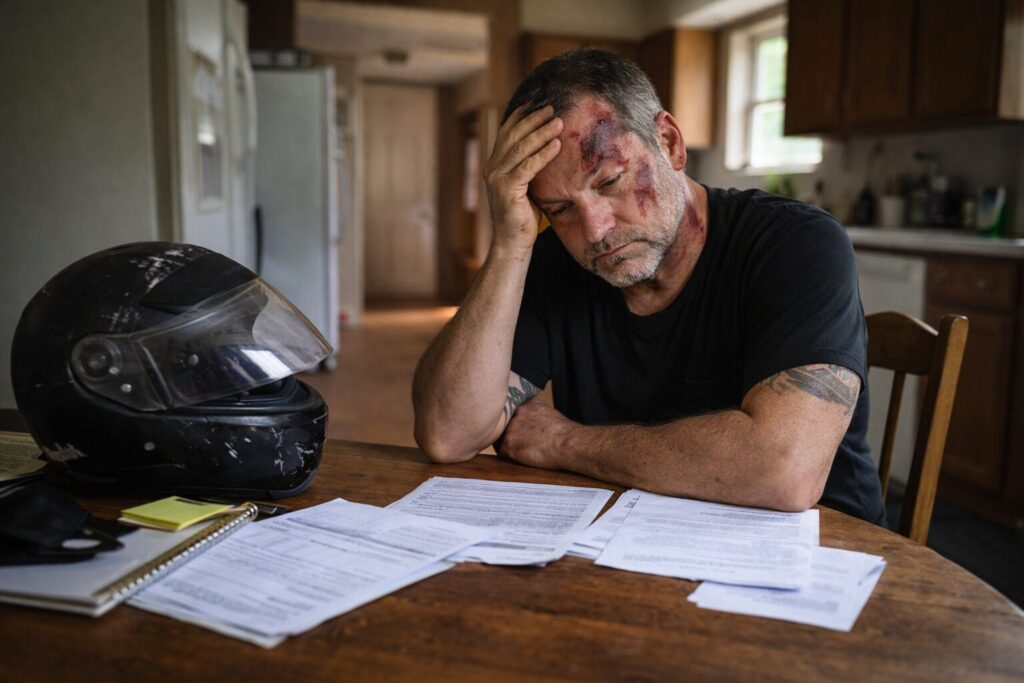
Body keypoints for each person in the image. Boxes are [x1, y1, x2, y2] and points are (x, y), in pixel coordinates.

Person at [412, 48, 885, 524]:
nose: (594, 231)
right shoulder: (554, 260)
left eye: (611, 180)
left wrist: (562, 441)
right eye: (559, 210)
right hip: (634, 542)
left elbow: (783, 471)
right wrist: (510, 245)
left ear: (670, 142)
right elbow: (448, 435)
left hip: (827, 551)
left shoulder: (796, 242)